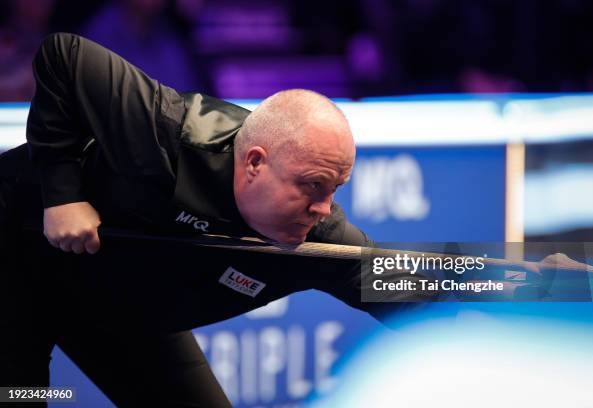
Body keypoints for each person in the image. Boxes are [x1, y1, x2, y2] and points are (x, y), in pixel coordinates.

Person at [0, 33, 432, 407]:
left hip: (124, 313)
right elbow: (64, 54)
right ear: (255, 164)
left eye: (334, 189)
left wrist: (493, 307)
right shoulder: (169, 136)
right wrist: (62, 195)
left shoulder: (311, 235)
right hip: (18, 264)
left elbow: (402, 286)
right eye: (312, 185)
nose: (322, 207)